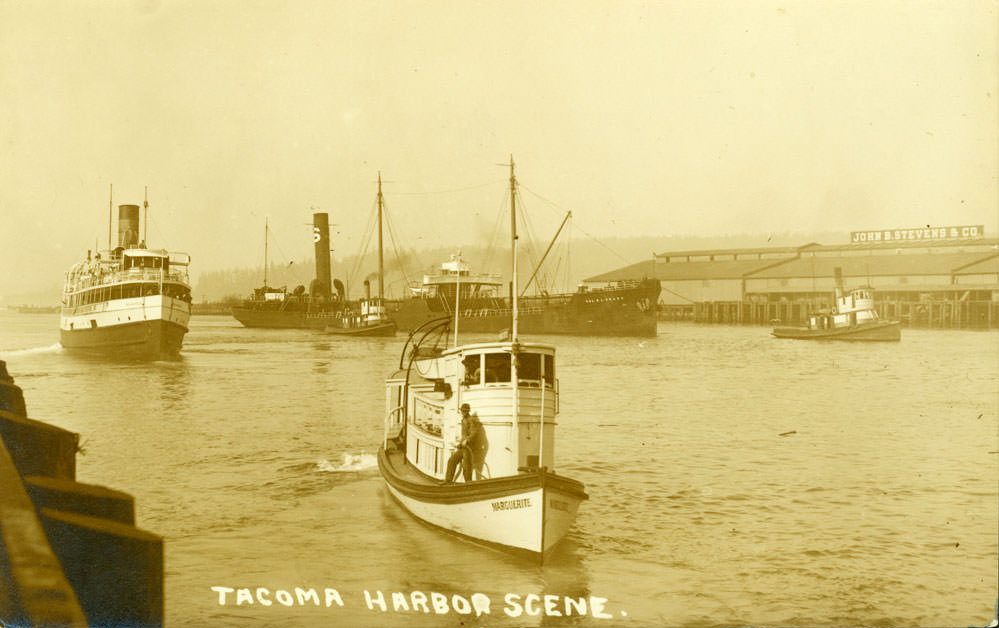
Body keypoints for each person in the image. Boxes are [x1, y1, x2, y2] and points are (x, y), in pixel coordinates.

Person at [444, 403, 483, 483]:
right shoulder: (464, 420)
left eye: (465, 411)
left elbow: (474, 432)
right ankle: (448, 481)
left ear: (468, 411)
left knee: (467, 466)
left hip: (469, 448)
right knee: (452, 460)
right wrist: (460, 443)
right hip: (463, 447)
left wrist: (467, 440)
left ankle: (468, 484)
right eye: (462, 411)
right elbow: (464, 435)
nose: (463, 412)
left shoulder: (471, 420)